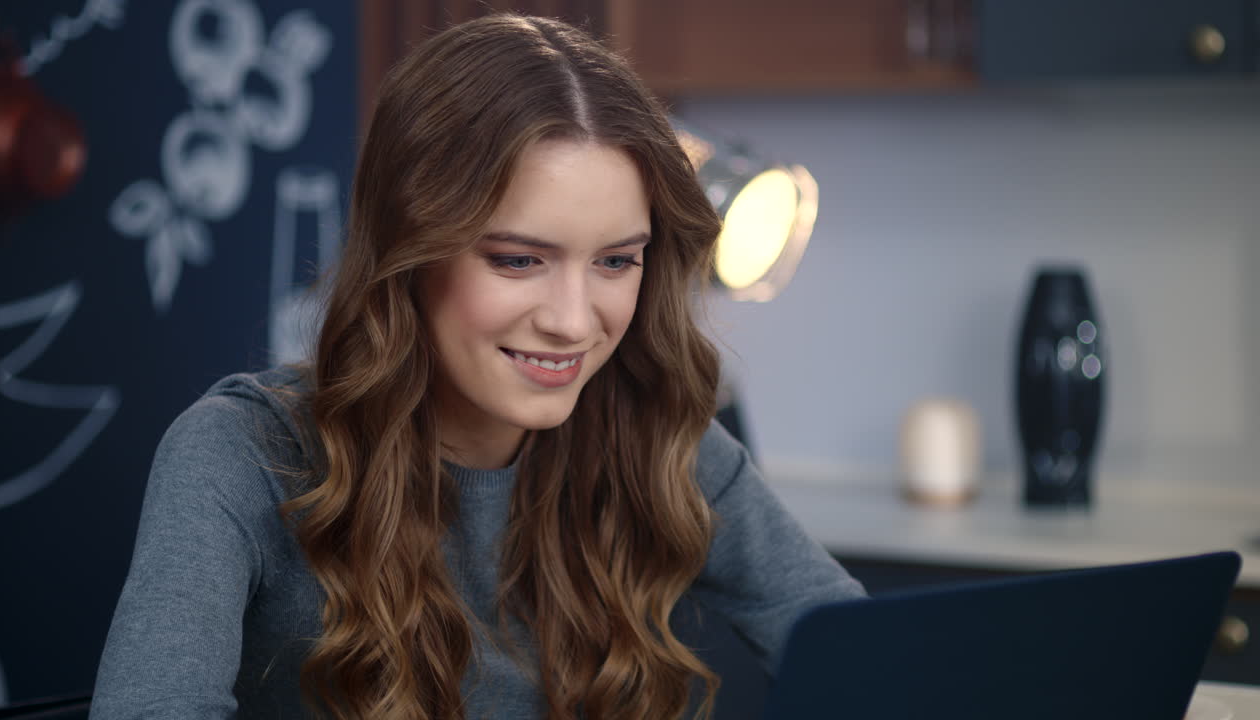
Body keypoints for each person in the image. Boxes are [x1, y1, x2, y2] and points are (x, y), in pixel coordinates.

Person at [89, 13, 865, 720]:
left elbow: (879, 664)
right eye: (520, 259)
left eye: (616, 261)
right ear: (410, 254)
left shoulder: (661, 439)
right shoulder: (238, 458)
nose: (572, 320)